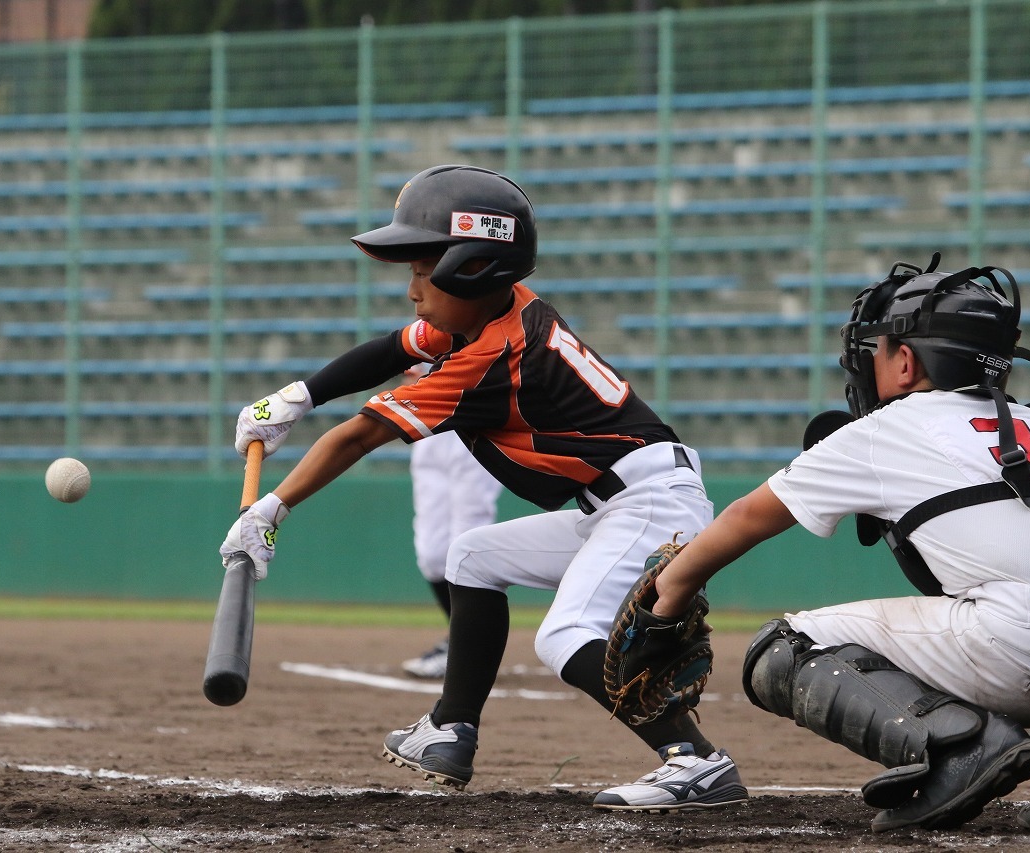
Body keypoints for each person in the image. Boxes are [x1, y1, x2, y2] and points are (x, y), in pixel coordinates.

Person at [220, 164, 747, 810]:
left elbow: (360, 436)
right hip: (621, 500)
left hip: (649, 501)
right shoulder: (490, 319)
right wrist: (296, 397)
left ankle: (695, 757)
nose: (412, 287)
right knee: (471, 555)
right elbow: (391, 348)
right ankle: (452, 727)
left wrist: (273, 508)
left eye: (422, 267)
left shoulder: (490, 358)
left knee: (563, 633)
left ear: (470, 267)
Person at [616, 256, 1030, 832]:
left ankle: (958, 750)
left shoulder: (883, 429)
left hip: (1029, 657)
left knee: (785, 646)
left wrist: (669, 593)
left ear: (905, 362)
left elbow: (747, 517)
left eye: (877, 349)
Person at [400, 363, 504, 679]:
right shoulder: (425, 325)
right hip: (430, 427)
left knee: (467, 547)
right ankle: (459, 640)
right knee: (432, 555)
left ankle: (469, 648)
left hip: (474, 423)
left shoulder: (479, 320)